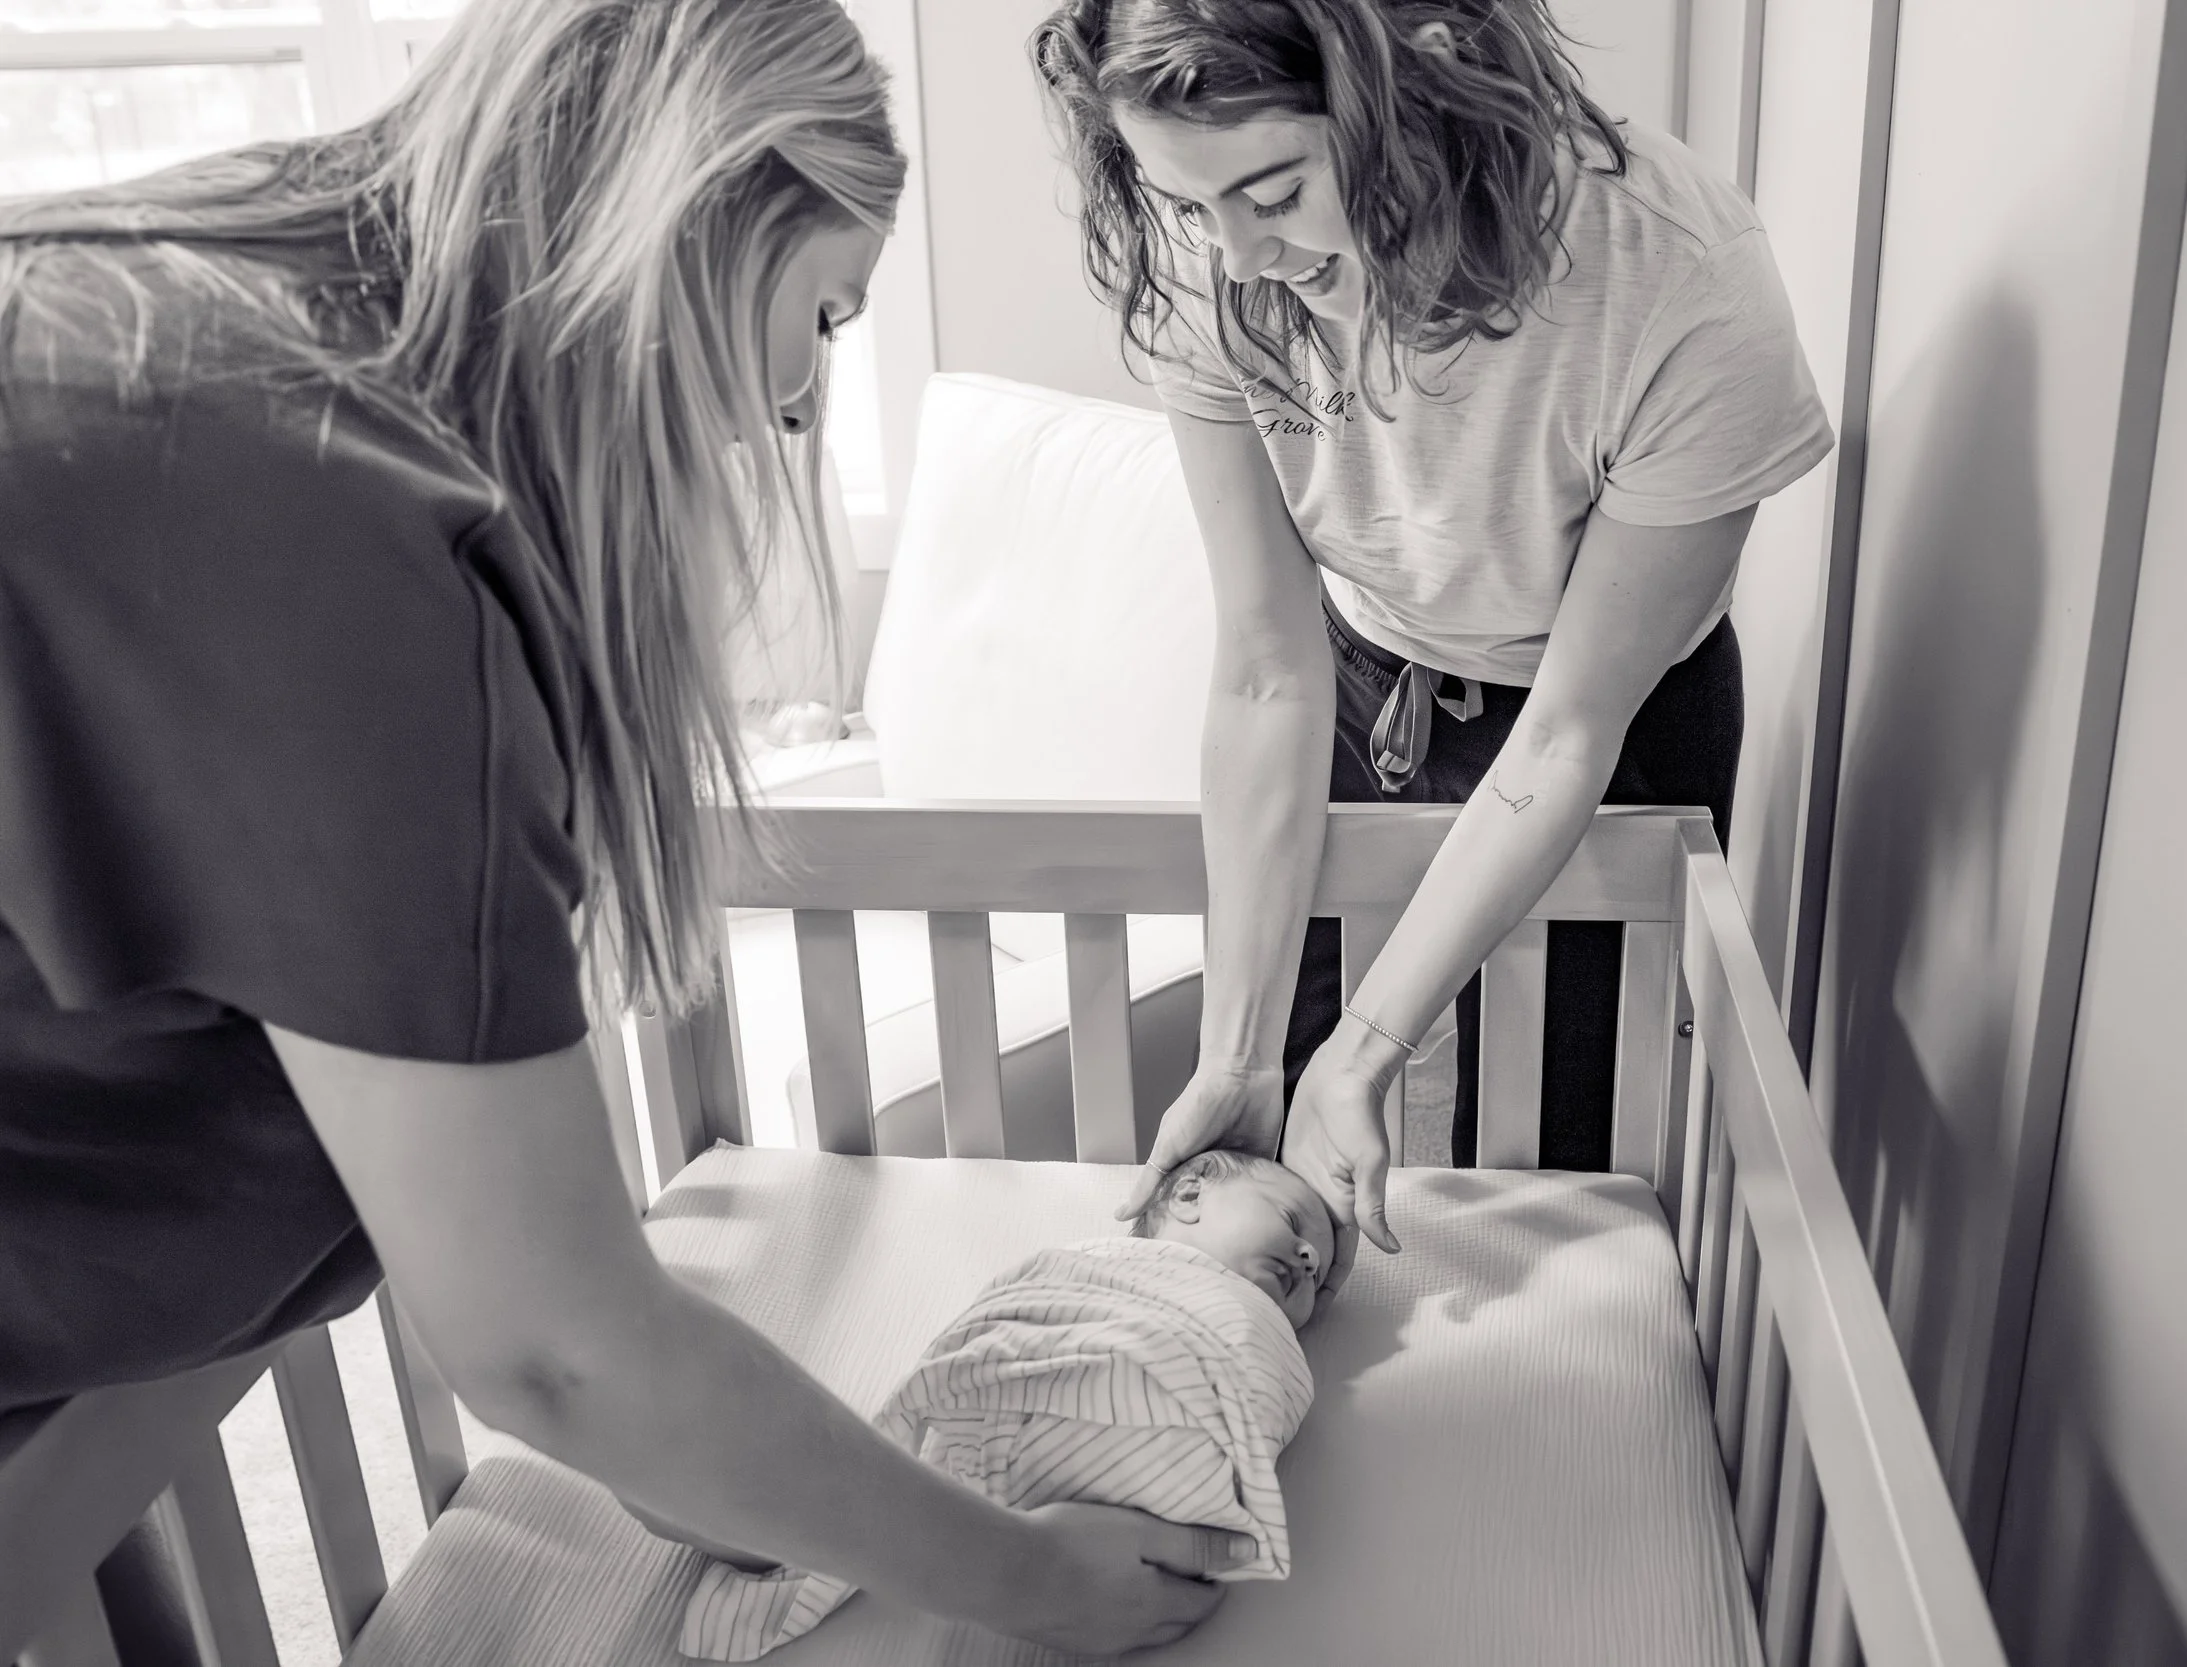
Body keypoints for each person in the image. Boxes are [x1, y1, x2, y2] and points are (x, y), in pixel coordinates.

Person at [0, 0, 1243, 1652]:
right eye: (824, 315)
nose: (789, 405)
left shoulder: (238, 289)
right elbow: (552, 1344)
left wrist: (711, 1459)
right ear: (697, 214)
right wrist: (1041, 1582)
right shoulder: (323, 507)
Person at [1033, 0, 1834, 1274]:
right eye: (1189, 208)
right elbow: (1262, 664)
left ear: (1417, 103)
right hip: (1351, 678)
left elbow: (1569, 728)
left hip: (1595, 718)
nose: (1234, 257)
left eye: (1276, 191)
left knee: (1553, 1167)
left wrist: (1375, 1041)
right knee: (1290, 1112)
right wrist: (1242, 1051)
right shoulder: (1209, 248)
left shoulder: (1678, 278)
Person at [670, 1151, 1329, 1661]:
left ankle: (784, 1524)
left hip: (1166, 1458)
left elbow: (1268, 1392)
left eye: (1319, 1278)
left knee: (918, 1489)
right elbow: (1012, 1310)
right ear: (1190, 1191)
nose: (1307, 1257)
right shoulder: (1087, 1262)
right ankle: (781, 1514)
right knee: (933, 1457)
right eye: (1294, 1224)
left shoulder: (1260, 1327)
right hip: (1032, 1385)